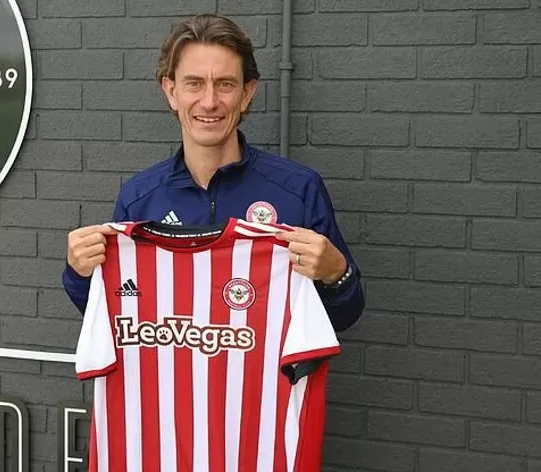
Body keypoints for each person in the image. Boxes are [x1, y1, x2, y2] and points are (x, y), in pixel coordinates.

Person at [62, 13, 364, 332]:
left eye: (225, 84)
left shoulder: (299, 189)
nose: (209, 102)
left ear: (247, 93)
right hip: (173, 367)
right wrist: (80, 274)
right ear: (171, 91)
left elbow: (343, 318)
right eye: (194, 83)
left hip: (268, 367)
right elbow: (116, 316)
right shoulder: (139, 199)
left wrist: (337, 274)